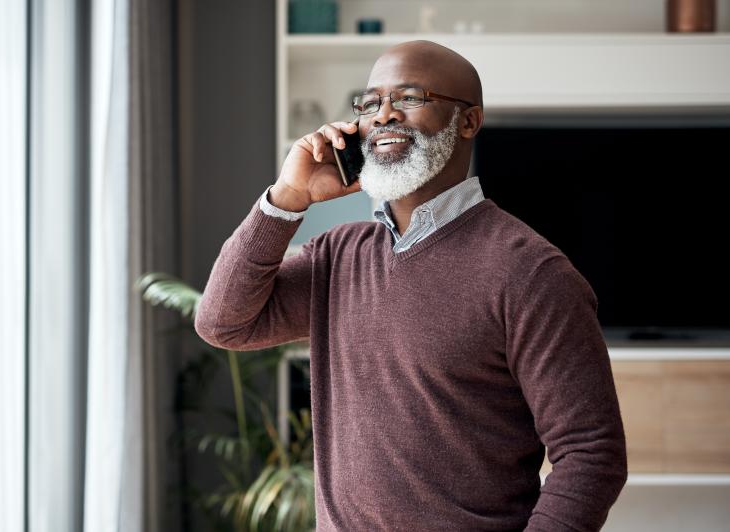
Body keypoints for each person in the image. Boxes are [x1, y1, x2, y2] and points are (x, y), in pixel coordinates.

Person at [194, 40, 627, 531]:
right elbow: (224, 324)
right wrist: (286, 199)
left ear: (469, 121)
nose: (383, 115)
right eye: (370, 102)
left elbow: (592, 454)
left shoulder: (530, 274)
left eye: (410, 97)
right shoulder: (339, 256)